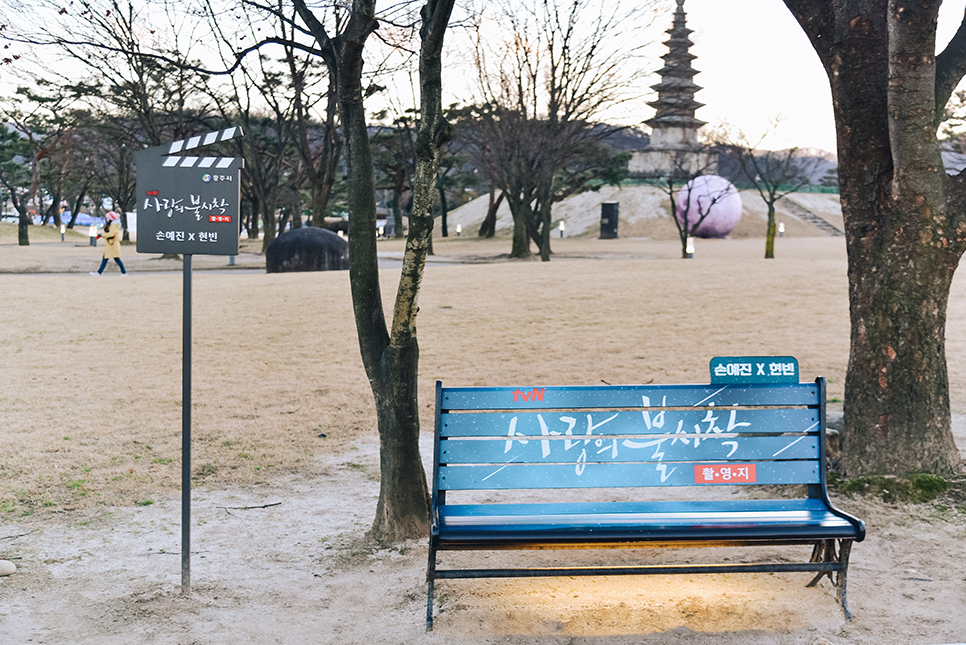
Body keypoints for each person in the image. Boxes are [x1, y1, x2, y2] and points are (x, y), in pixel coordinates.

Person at [90, 211, 127, 276]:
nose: (106, 219)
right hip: (111, 245)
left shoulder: (114, 226)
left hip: (113, 245)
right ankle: (99, 272)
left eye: (107, 218)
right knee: (108, 258)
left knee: (115, 259)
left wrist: (101, 235)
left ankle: (123, 272)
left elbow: (111, 234)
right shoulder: (112, 225)